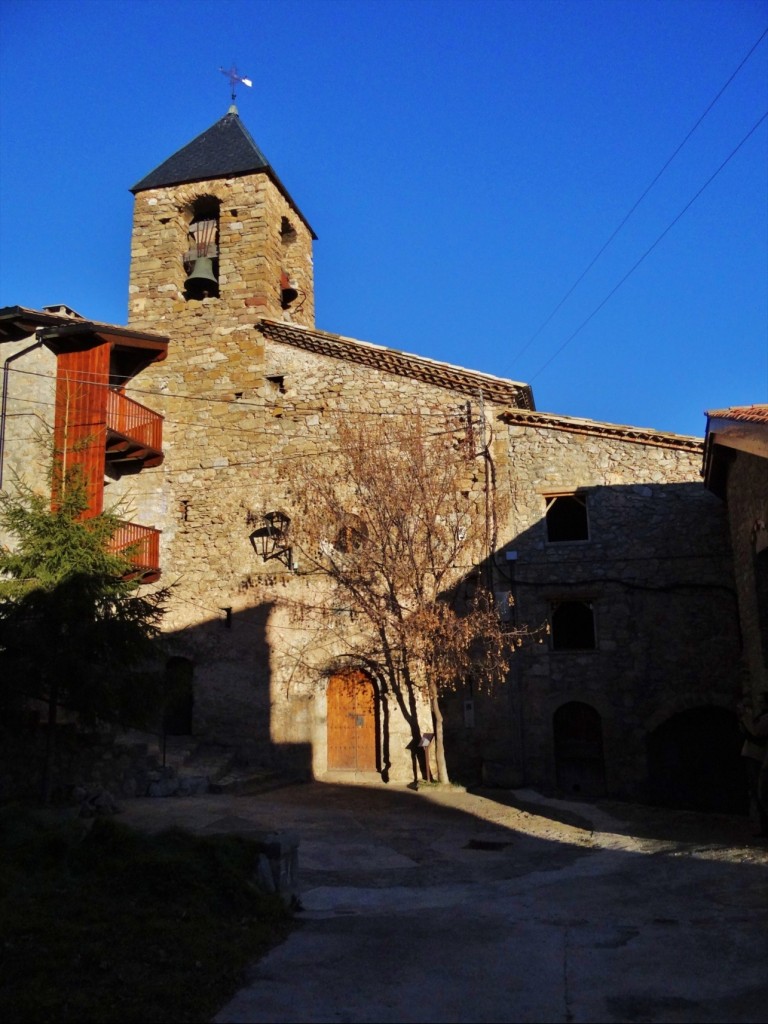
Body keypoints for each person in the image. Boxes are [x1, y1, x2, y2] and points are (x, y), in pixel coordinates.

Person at [739, 696, 768, 837]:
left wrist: (746, 721)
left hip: (757, 757)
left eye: (762, 702)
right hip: (756, 757)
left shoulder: (765, 718)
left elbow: (757, 737)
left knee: (760, 793)